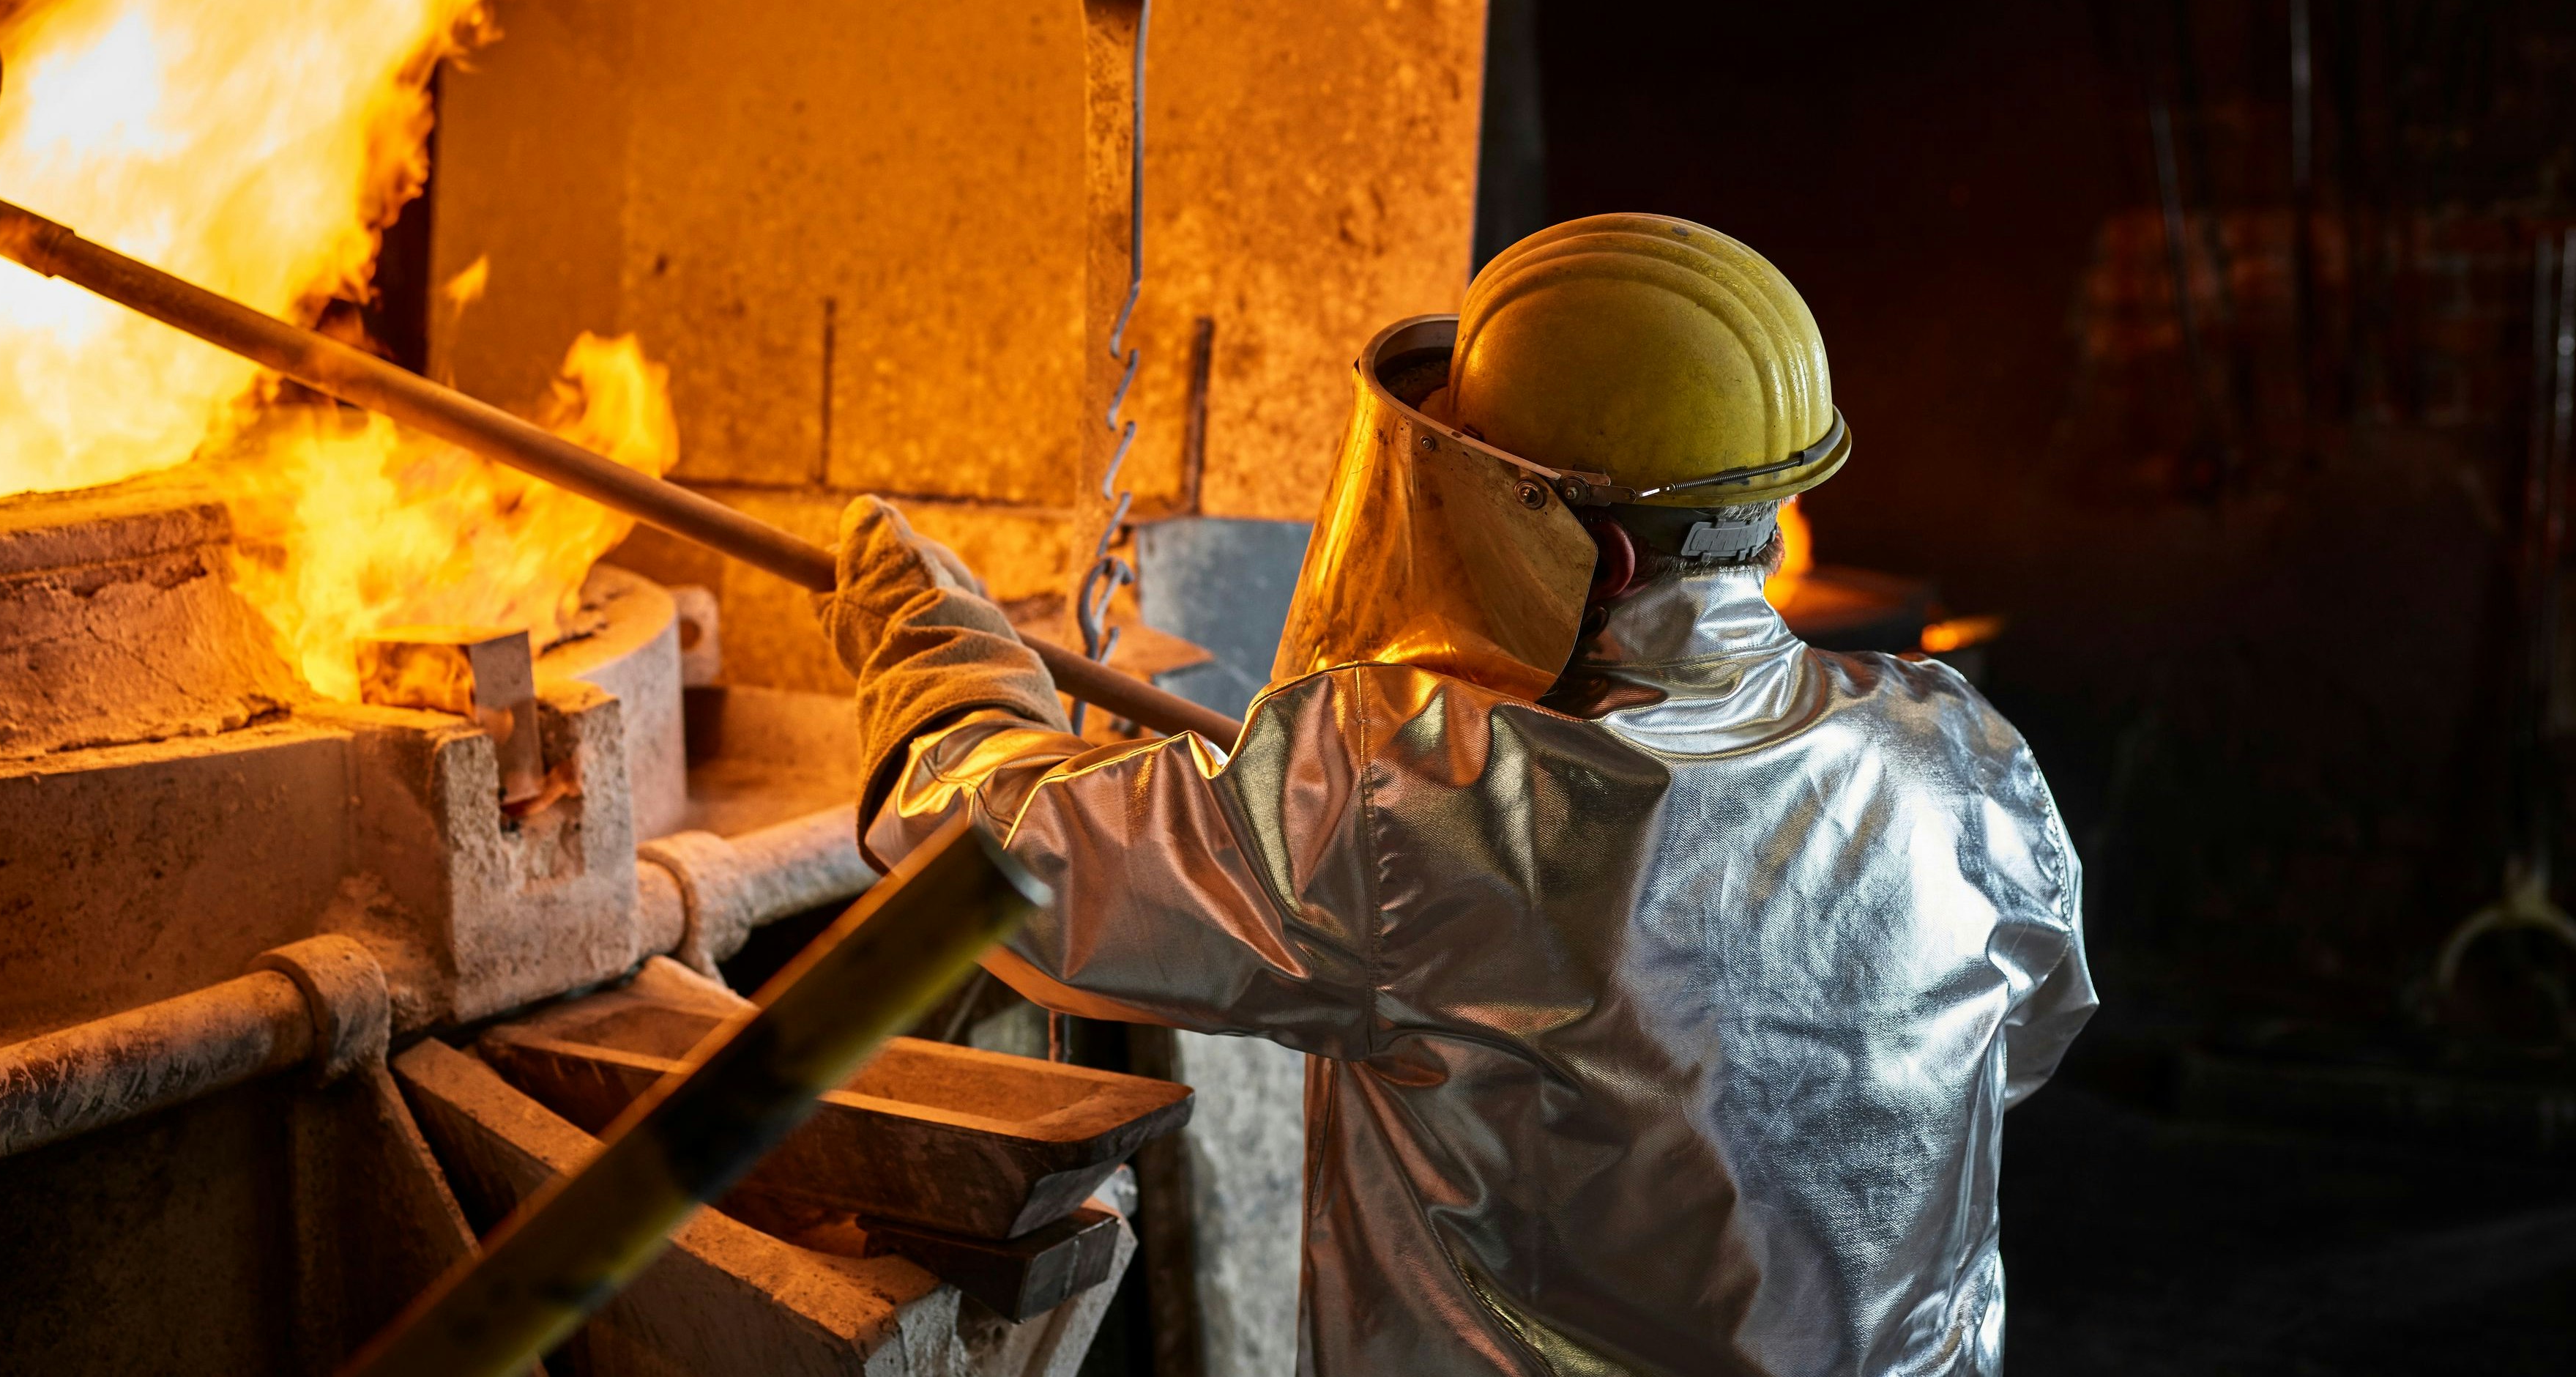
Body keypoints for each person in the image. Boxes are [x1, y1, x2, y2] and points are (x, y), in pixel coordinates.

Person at [818, 213, 2093, 1377]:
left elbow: (998, 862)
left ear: (1595, 546)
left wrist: (929, 642)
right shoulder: (1963, 756)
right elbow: (2015, 1046)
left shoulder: (1428, 801)